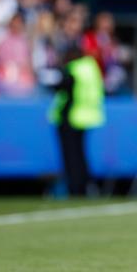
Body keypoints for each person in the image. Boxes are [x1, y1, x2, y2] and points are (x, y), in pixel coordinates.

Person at [48, 44, 105, 196]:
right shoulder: (91, 68)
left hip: (71, 116)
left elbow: (61, 88)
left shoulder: (74, 69)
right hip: (87, 116)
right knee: (81, 154)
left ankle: (75, 188)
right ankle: (86, 186)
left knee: (71, 156)